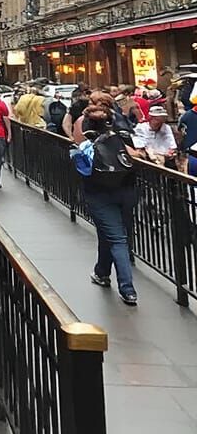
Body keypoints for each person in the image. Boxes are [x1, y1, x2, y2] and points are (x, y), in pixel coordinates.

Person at [72, 102, 140, 306]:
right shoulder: (120, 139)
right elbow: (135, 156)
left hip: (100, 196)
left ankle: (127, 289)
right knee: (110, 235)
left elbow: (82, 171)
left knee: (117, 239)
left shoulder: (85, 146)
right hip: (125, 192)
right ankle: (101, 272)